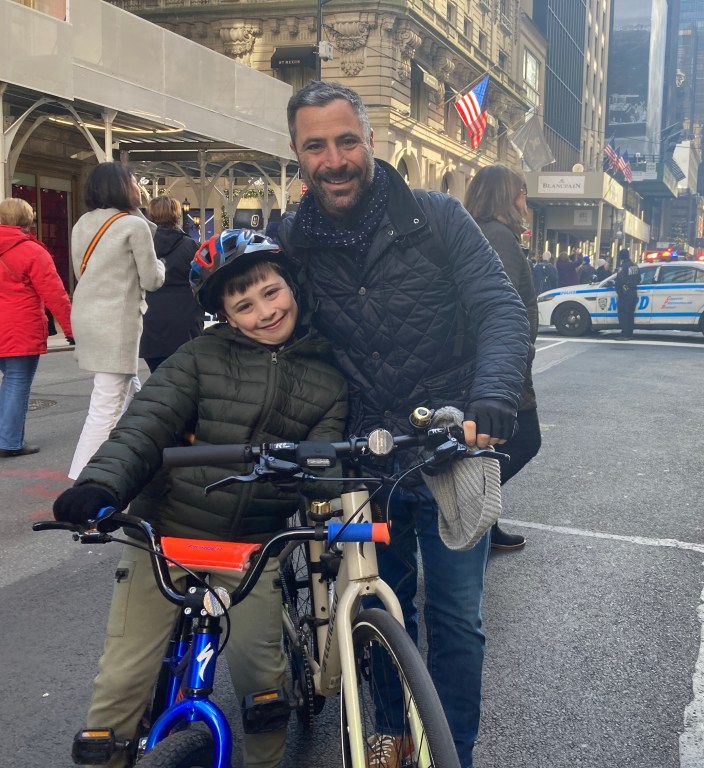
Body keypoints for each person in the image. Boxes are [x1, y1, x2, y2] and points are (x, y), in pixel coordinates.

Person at [277, 80, 528, 768]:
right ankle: (390, 732)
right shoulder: (289, 240)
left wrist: (492, 398)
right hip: (359, 460)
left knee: (456, 622)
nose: (335, 159)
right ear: (298, 155)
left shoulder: (439, 216)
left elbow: (500, 310)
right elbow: (262, 333)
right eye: (317, 146)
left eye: (347, 140)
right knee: (375, 613)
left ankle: (453, 754)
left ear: (370, 141)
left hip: (449, 446)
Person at [50, 230, 350, 768]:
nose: (264, 311)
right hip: (164, 538)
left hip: (251, 549)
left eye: (272, 293)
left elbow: (324, 468)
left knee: (266, 694)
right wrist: (101, 484)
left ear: (292, 287)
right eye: (244, 305)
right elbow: (146, 423)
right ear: (227, 317)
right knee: (120, 686)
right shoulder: (197, 358)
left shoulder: (329, 376)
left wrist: (312, 478)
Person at [68, 162, 165, 479]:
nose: (139, 187)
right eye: (134, 182)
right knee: (106, 405)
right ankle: (85, 478)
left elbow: (82, 272)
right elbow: (152, 279)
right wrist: (161, 265)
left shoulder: (83, 223)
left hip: (87, 314)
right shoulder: (134, 227)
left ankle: (135, 456)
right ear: (122, 187)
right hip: (115, 320)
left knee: (131, 392)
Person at [464, 164, 541, 553]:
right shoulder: (498, 237)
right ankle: (472, 509)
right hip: (503, 365)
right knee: (525, 440)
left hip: (498, 363)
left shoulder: (485, 234)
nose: (526, 202)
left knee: (491, 446)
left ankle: (486, 522)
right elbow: (503, 307)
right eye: (522, 193)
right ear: (506, 197)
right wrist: (516, 356)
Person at [0, 198, 73, 457]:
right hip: (19, 326)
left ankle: (5, 436)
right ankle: (9, 441)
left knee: (9, 383)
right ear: (26, 220)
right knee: (17, 382)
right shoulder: (32, 251)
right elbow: (55, 294)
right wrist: (71, 329)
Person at [139, 195, 204, 372]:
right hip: (185, 323)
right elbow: (203, 281)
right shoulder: (192, 247)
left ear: (150, 216)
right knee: (185, 378)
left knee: (157, 375)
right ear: (177, 215)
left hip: (150, 321)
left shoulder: (143, 247)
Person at [613, 248, 641, 340]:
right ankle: (630, 333)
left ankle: (625, 334)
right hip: (633, 292)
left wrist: (618, 290)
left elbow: (619, 280)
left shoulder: (623, 267)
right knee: (630, 314)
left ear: (621, 257)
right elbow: (639, 279)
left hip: (625, 293)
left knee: (623, 314)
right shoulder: (635, 266)